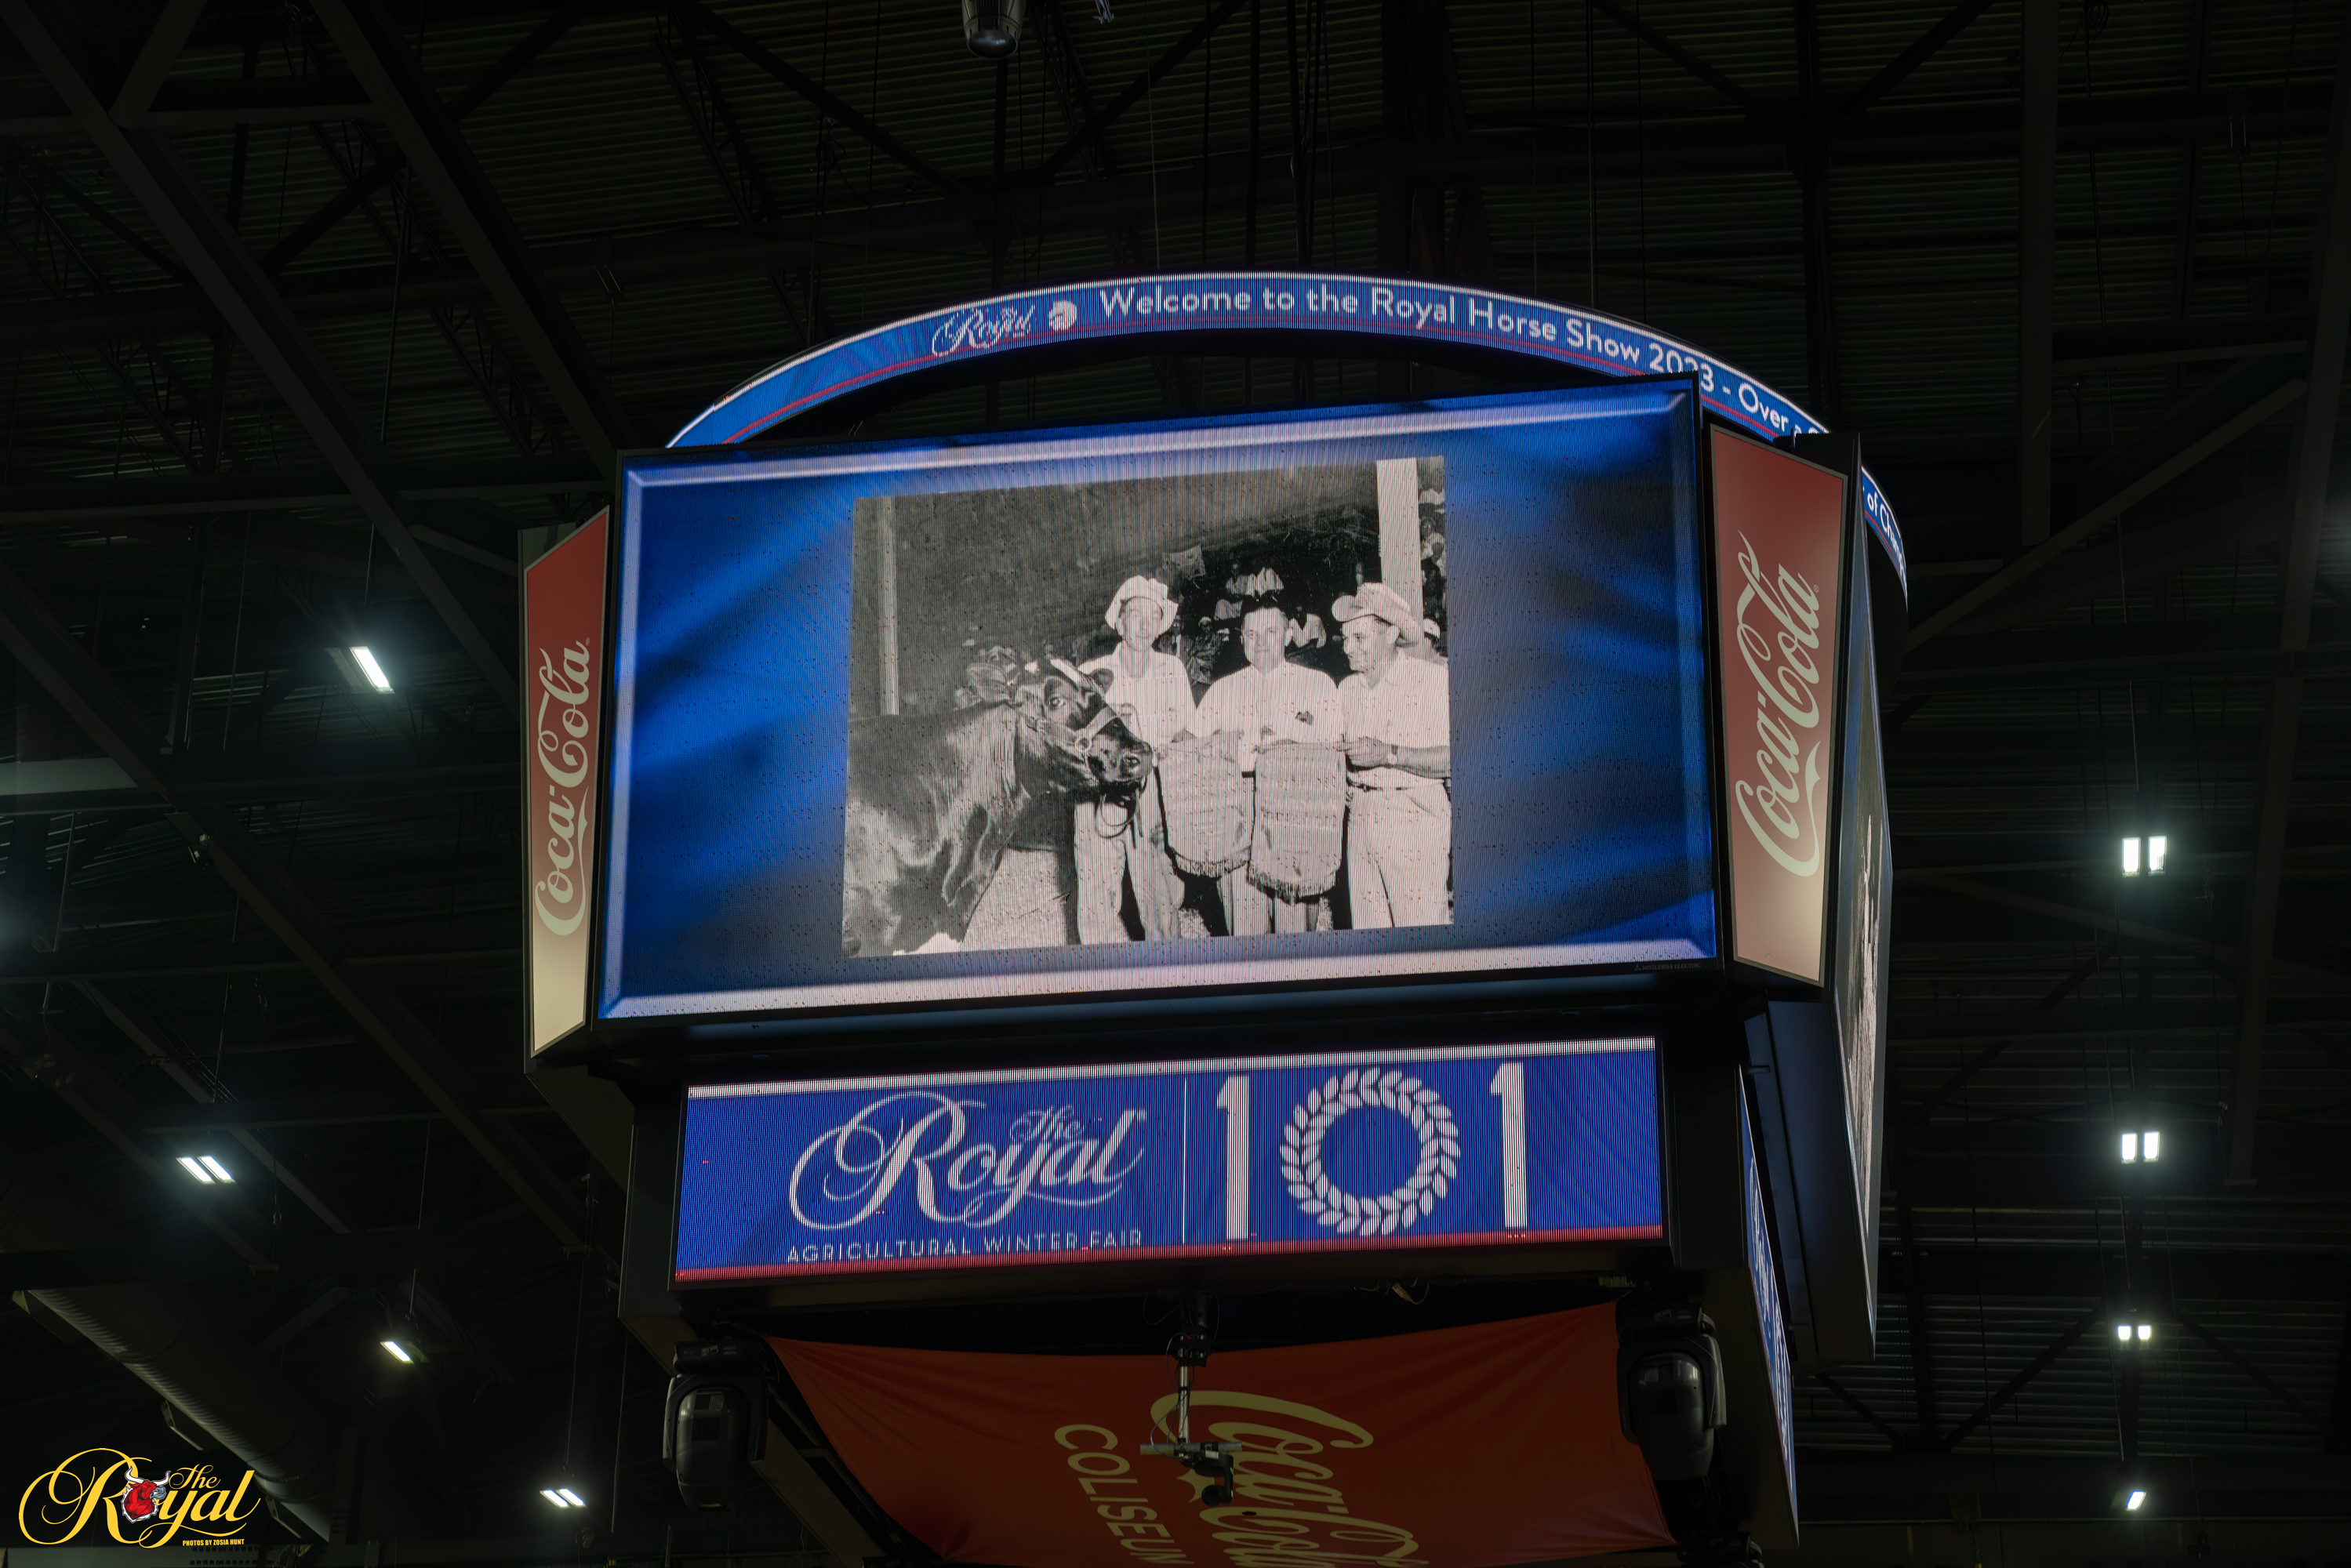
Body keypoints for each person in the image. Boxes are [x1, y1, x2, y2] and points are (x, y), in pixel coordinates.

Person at [1189, 597, 1342, 934]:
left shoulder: (1318, 685)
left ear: (1288, 635)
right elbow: (1195, 748)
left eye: (1270, 632)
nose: (1260, 642)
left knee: (1295, 922)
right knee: (1245, 921)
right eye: (1252, 634)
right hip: (1238, 805)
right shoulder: (1222, 690)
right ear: (1242, 638)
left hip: (1296, 808)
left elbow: (1332, 751)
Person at [1076, 575, 1195, 942]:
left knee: (1158, 885)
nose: (1144, 625)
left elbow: (1188, 731)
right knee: (1097, 885)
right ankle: (1098, 968)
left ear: (1161, 626)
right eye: (1136, 615)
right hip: (1102, 790)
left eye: (1153, 617)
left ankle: (1167, 966)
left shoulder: (1172, 670)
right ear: (1120, 620)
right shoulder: (1092, 674)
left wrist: (1171, 745)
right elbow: (1075, 743)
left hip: (1153, 785)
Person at [1333, 582, 1452, 927]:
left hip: (1413, 817)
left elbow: (1452, 758)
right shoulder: (1347, 688)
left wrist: (1389, 754)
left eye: (1360, 638)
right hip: (1361, 815)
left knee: (1420, 932)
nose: (1348, 649)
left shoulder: (1430, 680)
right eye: (1345, 639)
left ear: (1390, 634)